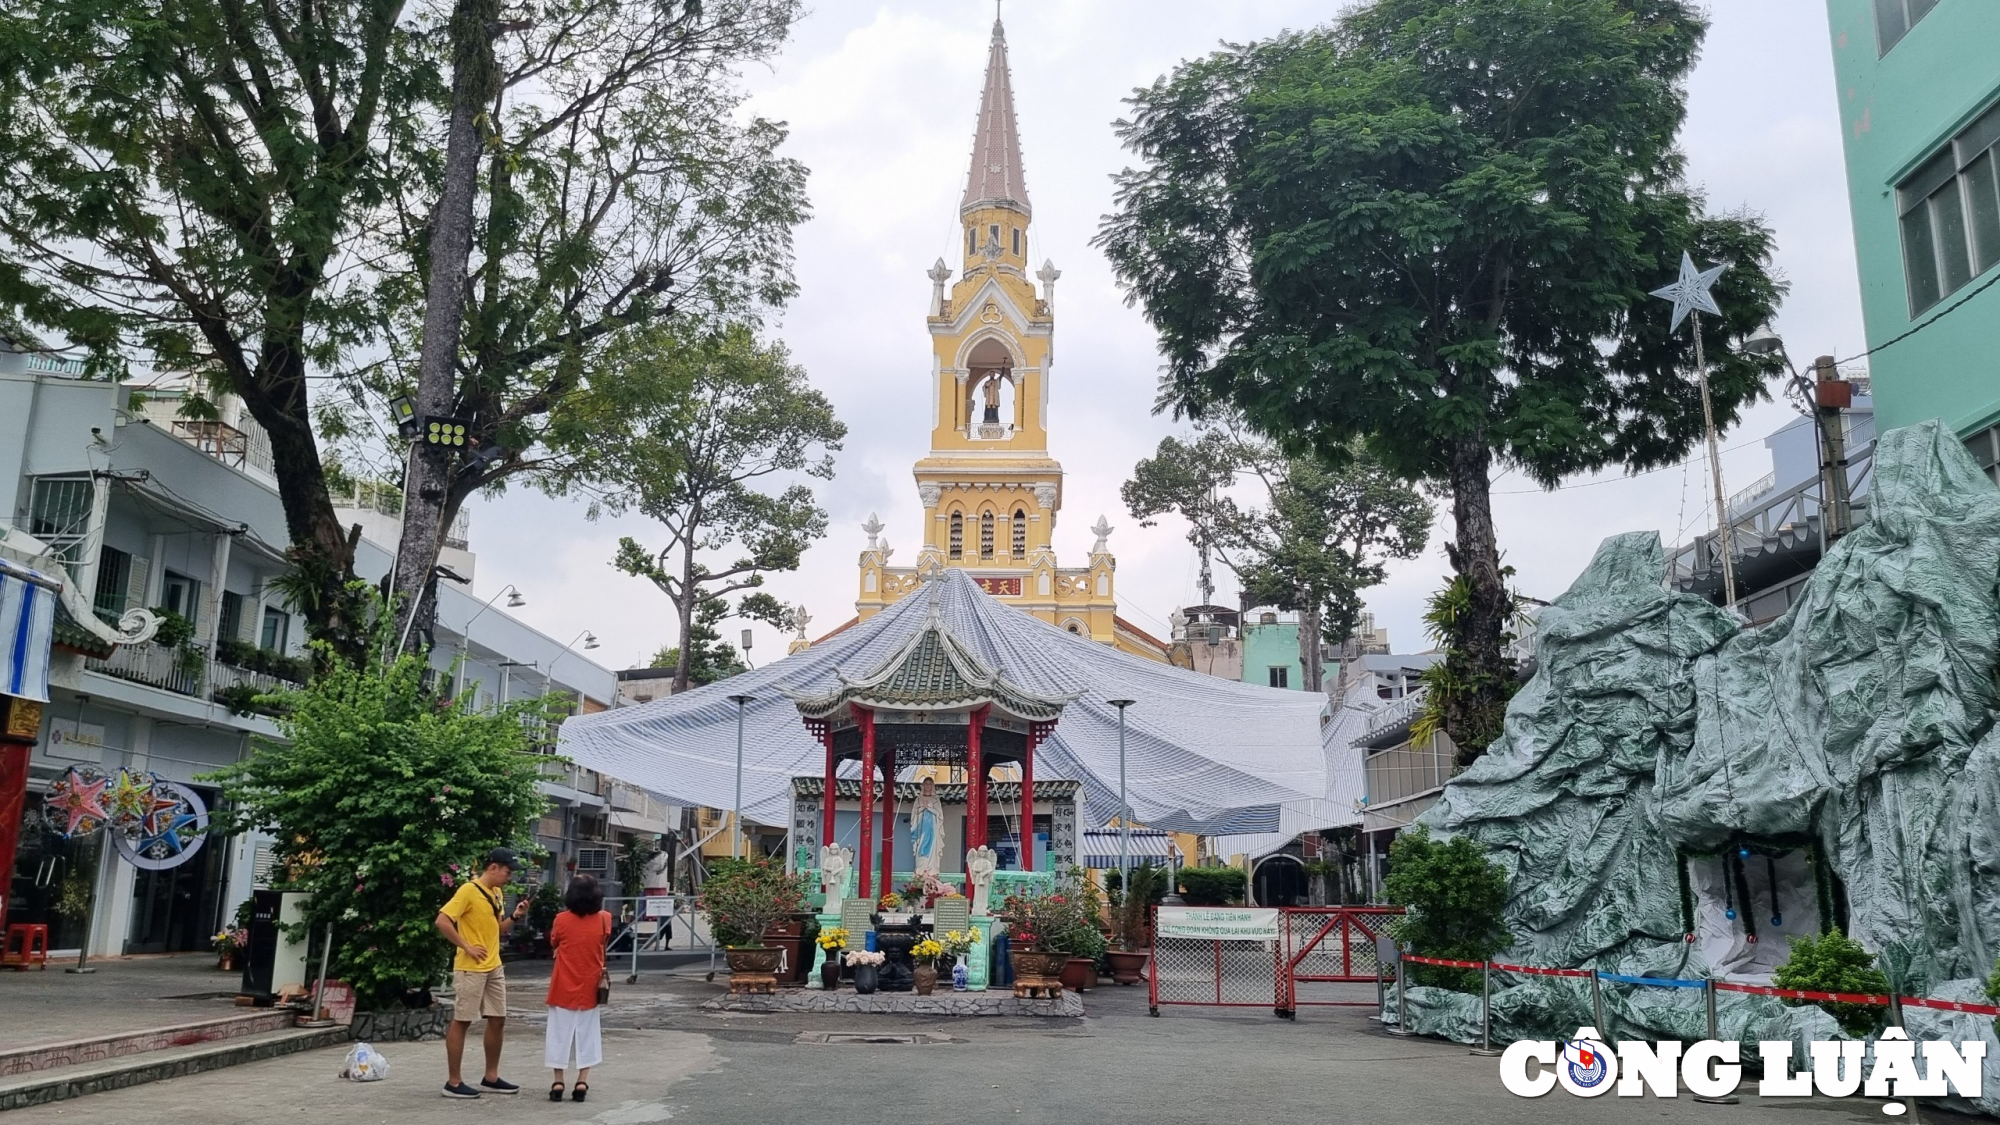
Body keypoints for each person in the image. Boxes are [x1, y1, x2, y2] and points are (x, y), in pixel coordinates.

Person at [435, 847, 530, 1099]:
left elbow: (497, 929)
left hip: (493, 964)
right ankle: (453, 1082)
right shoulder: (468, 890)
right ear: (493, 868)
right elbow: (442, 920)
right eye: (507, 871)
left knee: (498, 1019)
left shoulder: (496, 893)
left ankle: (491, 1076)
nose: (509, 877)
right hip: (470, 967)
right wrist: (465, 945)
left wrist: (515, 916)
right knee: (463, 1020)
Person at [546, 874, 612, 1103]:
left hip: (563, 983)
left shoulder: (561, 920)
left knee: (558, 1034)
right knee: (588, 1034)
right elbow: (604, 941)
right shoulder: (605, 919)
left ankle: (558, 1081)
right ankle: (582, 1081)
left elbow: (554, 942)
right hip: (590, 985)